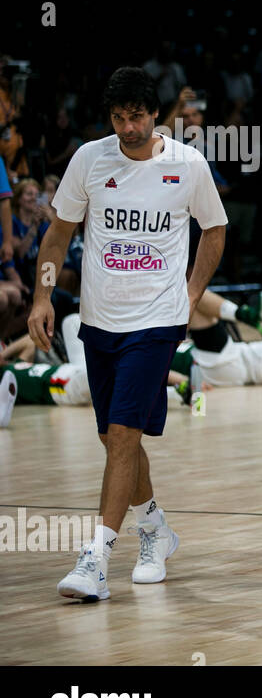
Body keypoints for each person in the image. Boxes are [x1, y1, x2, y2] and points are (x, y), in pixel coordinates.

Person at [27, 66, 227, 601]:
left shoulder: (188, 165)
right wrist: (43, 295)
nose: (127, 127)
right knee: (113, 439)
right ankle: (156, 529)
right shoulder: (90, 159)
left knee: (121, 437)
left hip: (156, 321)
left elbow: (215, 229)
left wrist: (189, 295)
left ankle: (95, 558)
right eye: (118, 117)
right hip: (100, 321)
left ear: (155, 114)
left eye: (136, 116)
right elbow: (57, 236)